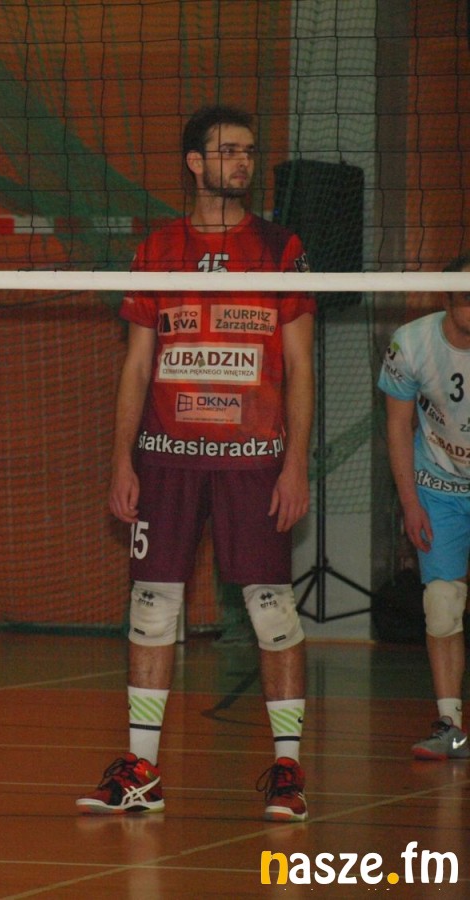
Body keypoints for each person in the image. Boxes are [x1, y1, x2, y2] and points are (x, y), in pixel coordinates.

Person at [76, 105, 315, 822]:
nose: (242, 163)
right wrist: (121, 460)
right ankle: (141, 772)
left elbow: (301, 365)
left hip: (253, 457)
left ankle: (288, 772)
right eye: (227, 151)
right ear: (194, 162)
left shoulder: (280, 246)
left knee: (272, 610)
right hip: (167, 458)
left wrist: (295, 463)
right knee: (152, 609)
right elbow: (137, 364)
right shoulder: (158, 248)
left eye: (249, 151)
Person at [379, 251, 470, 760]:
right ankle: (450, 727)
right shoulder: (411, 343)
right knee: (441, 605)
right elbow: (397, 426)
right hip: (439, 486)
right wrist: (409, 502)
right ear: (448, 298)